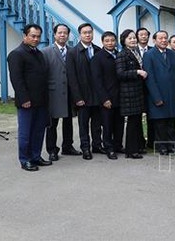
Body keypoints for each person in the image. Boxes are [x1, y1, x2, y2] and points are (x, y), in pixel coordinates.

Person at [7, 24, 51, 171]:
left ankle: (36, 156)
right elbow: (16, 79)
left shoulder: (39, 53)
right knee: (25, 133)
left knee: (39, 131)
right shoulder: (16, 54)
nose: (36, 39)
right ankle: (25, 160)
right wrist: (24, 99)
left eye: (38, 36)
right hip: (26, 102)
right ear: (24, 36)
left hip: (41, 101)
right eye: (33, 36)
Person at [41, 24, 80, 161]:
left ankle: (67, 146)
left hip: (69, 92)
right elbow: (43, 74)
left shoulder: (72, 51)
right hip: (53, 93)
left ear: (68, 35)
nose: (62, 35)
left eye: (65, 33)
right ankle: (52, 150)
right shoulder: (46, 52)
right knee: (52, 124)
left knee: (68, 121)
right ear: (54, 34)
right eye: (60, 33)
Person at [66, 23, 103, 160]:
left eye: (90, 32)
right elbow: (72, 77)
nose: (88, 35)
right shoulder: (72, 52)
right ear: (79, 34)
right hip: (82, 96)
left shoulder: (99, 50)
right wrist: (77, 97)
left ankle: (97, 145)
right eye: (84, 32)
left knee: (97, 123)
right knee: (83, 124)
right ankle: (85, 148)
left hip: (97, 95)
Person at [144, 30, 175, 155]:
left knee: (171, 122)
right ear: (154, 40)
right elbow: (149, 78)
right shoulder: (149, 55)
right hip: (158, 94)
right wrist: (156, 97)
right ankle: (162, 147)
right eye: (160, 38)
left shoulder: (173, 54)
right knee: (160, 123)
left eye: (165, 38)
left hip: (171, 94)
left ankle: (173, 146)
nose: (163, 41)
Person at [91, 31, 123, 160]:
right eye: (107, 41)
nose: (110, 43)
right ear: (103, 42)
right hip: (107, 98)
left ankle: (118, 145)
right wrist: (104, 98)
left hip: (120, 96)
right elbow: (96, 80)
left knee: (119, 123)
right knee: (107, 125)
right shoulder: (97, 58)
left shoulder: (119, 55)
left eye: (112, 40)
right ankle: (109, 148)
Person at [115, 29, 147, 159]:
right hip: (129, 93)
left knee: (137, 121)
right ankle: (131, 150)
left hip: (137, 92)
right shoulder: (123, 54)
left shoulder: (135, 52)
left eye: (134, 38)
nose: (133, 40)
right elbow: (120, 73)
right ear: (124, 41)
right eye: (130, 38)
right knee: (132, 123)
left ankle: (138, 147)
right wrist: (137, 72)